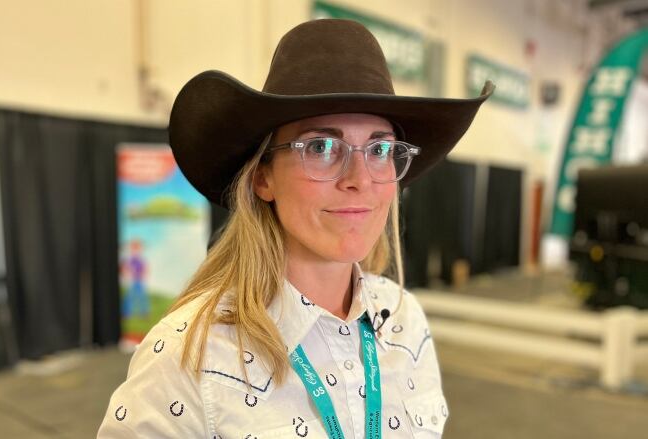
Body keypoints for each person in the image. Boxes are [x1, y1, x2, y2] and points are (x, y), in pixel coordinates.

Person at [98, 18, 492, 438]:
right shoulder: (186, 357)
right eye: (322, 147)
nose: (359, 178)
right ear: (263, 178)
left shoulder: (403, 321)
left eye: (379, 149)